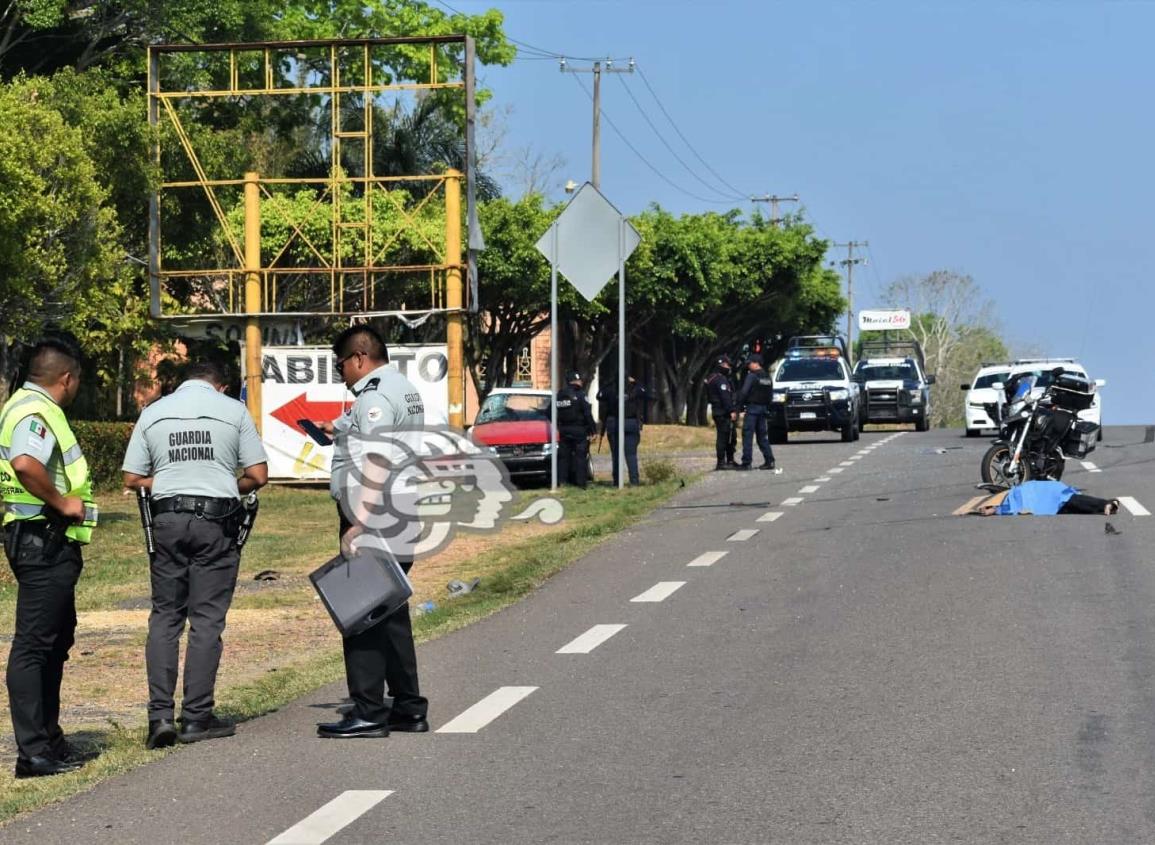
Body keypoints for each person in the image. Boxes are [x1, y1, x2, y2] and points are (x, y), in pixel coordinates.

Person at [122, 361, 268, 750]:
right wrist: (221, 483)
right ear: (219, 387)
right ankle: (197, 717)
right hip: (215, 523)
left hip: (166, 520)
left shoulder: (153, 413)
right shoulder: (233, 411)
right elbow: (258, 475)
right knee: (205, 620)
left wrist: (170, 481)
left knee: (165, 617)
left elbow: (132, 478)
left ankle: (159, 718)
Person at [317, 325, 429, 739]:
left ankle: (367, 710)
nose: (341, 373)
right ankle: (408, 706)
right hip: (400, 509)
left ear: (360, 358)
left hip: (376, 514)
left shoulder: (374, 395)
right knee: (390, 613)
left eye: (341, 364)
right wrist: (338, 428)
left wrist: (360, 521)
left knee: (360, 612)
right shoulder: (399, 386)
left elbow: (378, 457)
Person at [0, 337, 98, 778]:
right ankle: (34, 753)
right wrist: (61, 502)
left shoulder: (22, 406)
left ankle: (50, 741)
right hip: (41, 536)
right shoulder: (35, 412)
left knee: (55, 639)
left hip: (41, 538)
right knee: (35, 645)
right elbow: (25, 463)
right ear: (66, 378)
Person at [597, 376, 647, 486]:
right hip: (630, 423)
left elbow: (599, 395)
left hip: (614, 424)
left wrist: (608, 382)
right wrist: (636, 381)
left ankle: (617, 482)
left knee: (616, 455)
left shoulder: (610, 390)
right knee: (631, 455)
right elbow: (644, 391)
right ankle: (634, 481)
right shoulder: (634, 390)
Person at [736, 354, 779, 472]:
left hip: (752, 409)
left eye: (750, 363)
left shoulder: (752, 376)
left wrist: (738, 407)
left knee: (747, 435)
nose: (748, 366)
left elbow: (744, 392)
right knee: (762, 437)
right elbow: (770, 395)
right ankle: (769, 460)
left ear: (756, 363)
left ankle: (746, 463)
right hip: (763, 409)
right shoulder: (767, 377)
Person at [555, 372, 595, 488]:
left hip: (563, 429)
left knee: (564, 457)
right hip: (579, 430)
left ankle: (562, 481)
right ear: (575, 381)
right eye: (579, 380)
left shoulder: (560, 395)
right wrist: (593, 430)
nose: (580, 382)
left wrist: (557, 426)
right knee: (580, 456)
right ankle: (580, 482)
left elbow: (551, 412)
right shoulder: (581, 394)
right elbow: (587, 414)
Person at [706, 356, 738, 471]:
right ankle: (721, 462)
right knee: (724, 437)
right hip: (722, 412)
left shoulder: (713, 377)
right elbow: (725, 397)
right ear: (721, 365)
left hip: (720, 411)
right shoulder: (719, 379)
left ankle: (729, 460)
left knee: (730, 436)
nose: (728, 368)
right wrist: (731, 411)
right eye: (727, 365)